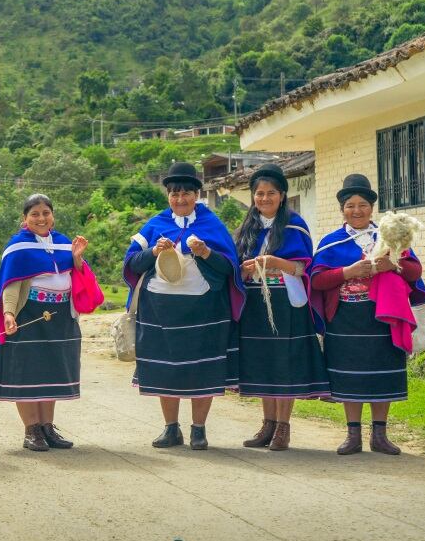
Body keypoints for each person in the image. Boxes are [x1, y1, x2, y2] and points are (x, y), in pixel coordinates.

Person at [123, 163, 244, 450]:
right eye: (174, 194)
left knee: (203, 369)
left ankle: (198, 430)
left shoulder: (212, 225)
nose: (180, 200)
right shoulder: (155, 225)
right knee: (167, 370)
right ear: (168, 196)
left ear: (196, 195)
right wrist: (153, 252)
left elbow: (229, 268)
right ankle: (170, 429)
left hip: (205, 311)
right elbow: (130, 264)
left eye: (186, 193)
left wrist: (205, 252)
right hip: (159, 310)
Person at [311, 174, 425, 455]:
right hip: (344, 319)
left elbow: (415, 272)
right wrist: (347, 272)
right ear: (342, 210)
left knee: (381, 374)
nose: (357, 210)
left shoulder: (389, 237)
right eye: (350, 205)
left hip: (382, 318)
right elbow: (316, 280)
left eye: (362, 204)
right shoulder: (331, 242)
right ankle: (353, 435)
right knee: (348, 375)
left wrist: (394, 264)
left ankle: (380, 435)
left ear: (371, 208)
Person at [234, 164, 329, 451]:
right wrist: (245, 270)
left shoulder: (294, 225)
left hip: (286, 303)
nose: (264, 199)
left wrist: (273, 262)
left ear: (282, 195)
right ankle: (267, 424)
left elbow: (304, 267)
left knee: (284, 361)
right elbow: (235, 266)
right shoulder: (246, 229)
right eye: (259, 194)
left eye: (271, 193)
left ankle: (283, 427)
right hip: (255, 304)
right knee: (264, 360)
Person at [0, 193, 90, 451]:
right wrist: (9, 313)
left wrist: (77, 259)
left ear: (52, 216)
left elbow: (77, 278)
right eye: (35, 214)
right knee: (27, 374)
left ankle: (47, 427)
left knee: (51, 372)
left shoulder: (64, 244)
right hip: (30, 315)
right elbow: (11, 284)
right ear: (25, 219)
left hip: (60, 317)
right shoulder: (18, 247)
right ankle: (31, 430)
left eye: (46, 213)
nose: (41, 218)